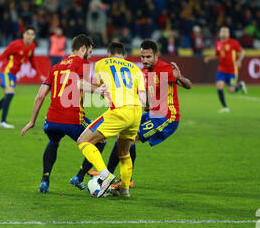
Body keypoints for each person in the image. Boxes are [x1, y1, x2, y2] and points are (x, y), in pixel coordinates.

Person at [77, 39, 193, 189]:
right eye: (142, 57)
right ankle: (122, 180)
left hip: (167, 116)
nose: (144, 60)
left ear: (156, 56)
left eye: (148, 57)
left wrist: (179, 77)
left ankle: (111, 177)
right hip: (151, 113)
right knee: (123, 138)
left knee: (127, 141)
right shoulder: (142, 72)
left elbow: (188, 86)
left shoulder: (165, 69)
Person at [20, 34, 106, 193]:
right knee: (101, 139)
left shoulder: (55, 67)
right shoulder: (82, 63)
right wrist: (97, 90)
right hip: (73, 119)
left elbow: (40, 96)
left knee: (54, 141)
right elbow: (79, 83)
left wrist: (32, 121)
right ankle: (79, 177)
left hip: (51, 120)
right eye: (90, 51)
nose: (90, 55)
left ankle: (45, 179)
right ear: (83, 48)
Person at [76, 42, 147, 198]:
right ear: (124, 55)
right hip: (136, 113)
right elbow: (143, 98)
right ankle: (124, 190)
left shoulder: (102, 63)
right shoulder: (136, 69)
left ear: (109, 54)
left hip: (118, 111)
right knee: (124, 151)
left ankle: (105, 175)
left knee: (83, 140)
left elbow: (103, 90)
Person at [0, 26, 39, 128]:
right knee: (10, 93)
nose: (29, 36)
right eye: (27, 34)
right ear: (23, 35)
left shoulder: (32, 46)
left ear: (34, 36)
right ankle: (3, 122)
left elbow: (32, 61)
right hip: (6, 71)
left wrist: (40, 74)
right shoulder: (15, 45)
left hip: (13, 75)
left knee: (8, 95)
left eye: (32, 34)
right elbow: (0, 57)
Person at [203, 26, 247, 113]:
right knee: (219, 86)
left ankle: (241, 85)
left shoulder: (233, 42)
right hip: (221, 69)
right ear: (220, 34)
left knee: (231, 90)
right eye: (222, 32)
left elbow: (242, 52)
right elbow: (217, 55)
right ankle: (225, 107)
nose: (223, 33)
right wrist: (209, 58)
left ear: (228, 34)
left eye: (225, 32)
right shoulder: (218, 44)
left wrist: (239, 60)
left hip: (232, 70)